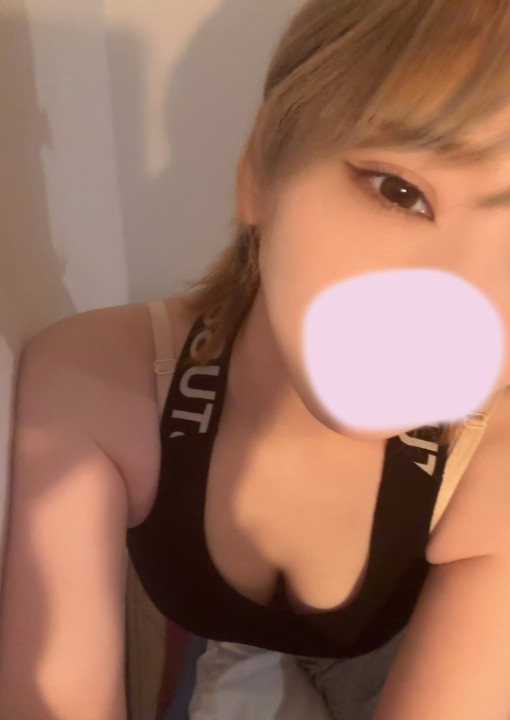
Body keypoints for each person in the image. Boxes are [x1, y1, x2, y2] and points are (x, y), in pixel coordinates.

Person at [3, 1, 510, 718]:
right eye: (400, 192)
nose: (458, 305)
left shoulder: (492, 465)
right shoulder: (100, 382)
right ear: (261, 166)